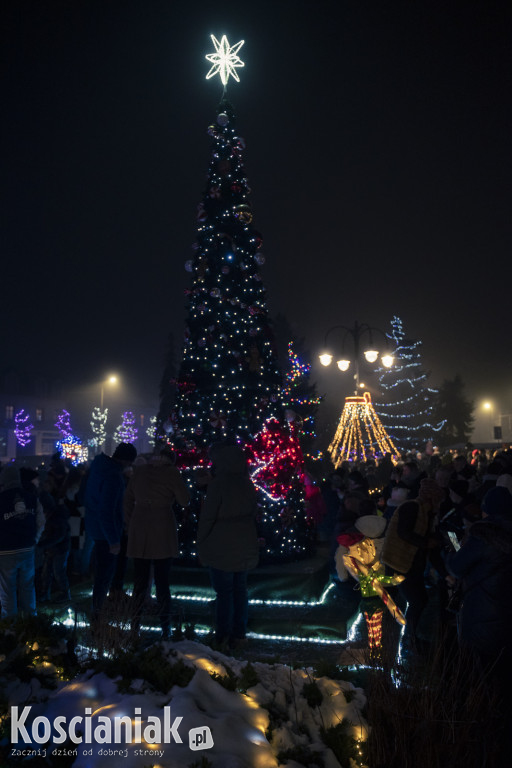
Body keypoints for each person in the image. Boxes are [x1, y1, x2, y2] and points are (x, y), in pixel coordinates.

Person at [124, 446, 189, 639]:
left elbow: (127, 500)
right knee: (162, 582)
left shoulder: (140, 472)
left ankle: (135, 626)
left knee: (139, 581)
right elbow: (184, 500)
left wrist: (131, 522)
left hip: (140, 525)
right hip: (162, 526)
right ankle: (165, 627)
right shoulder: (171, 473)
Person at [198, 443, 258, 648]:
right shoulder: (247, 483)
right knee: (240, 590)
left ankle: (222, 635)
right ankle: (239, 634)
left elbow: (208, 517)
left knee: (224, 592)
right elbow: (253, 510)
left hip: (221, 544)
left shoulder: (218, 484)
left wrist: (201, 542)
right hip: (245, 542)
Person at [381, 477, 445, 648]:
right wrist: (426, 542)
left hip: (412, 565)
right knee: (417, 600)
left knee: (418, 599)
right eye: (437, 500)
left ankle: (405, 635)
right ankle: (407, 638)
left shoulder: (429, 515)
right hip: (399, 563)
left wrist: (444, 572)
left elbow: (432, 547)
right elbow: (404, 532)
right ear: (430, 498)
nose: (439, 504)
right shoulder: (411, 507)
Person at [84, 442, 137, 621]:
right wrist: (114, 540)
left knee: (101, 574)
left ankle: (98, 611)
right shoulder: (113, 477)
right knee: (104, 576)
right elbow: (107, 510)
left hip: (95, 528)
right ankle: (98, 615)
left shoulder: (99, 469)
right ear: (127, 461)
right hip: (106, 533)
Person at [0, 464, 45, 618]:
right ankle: (30, 620)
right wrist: (34, 539)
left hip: (5, 551)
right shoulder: (31, 498)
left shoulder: (1, 499)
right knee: (27, 586)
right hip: (27, 548)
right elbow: (41, 521)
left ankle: (10, 623)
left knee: (7, 589)